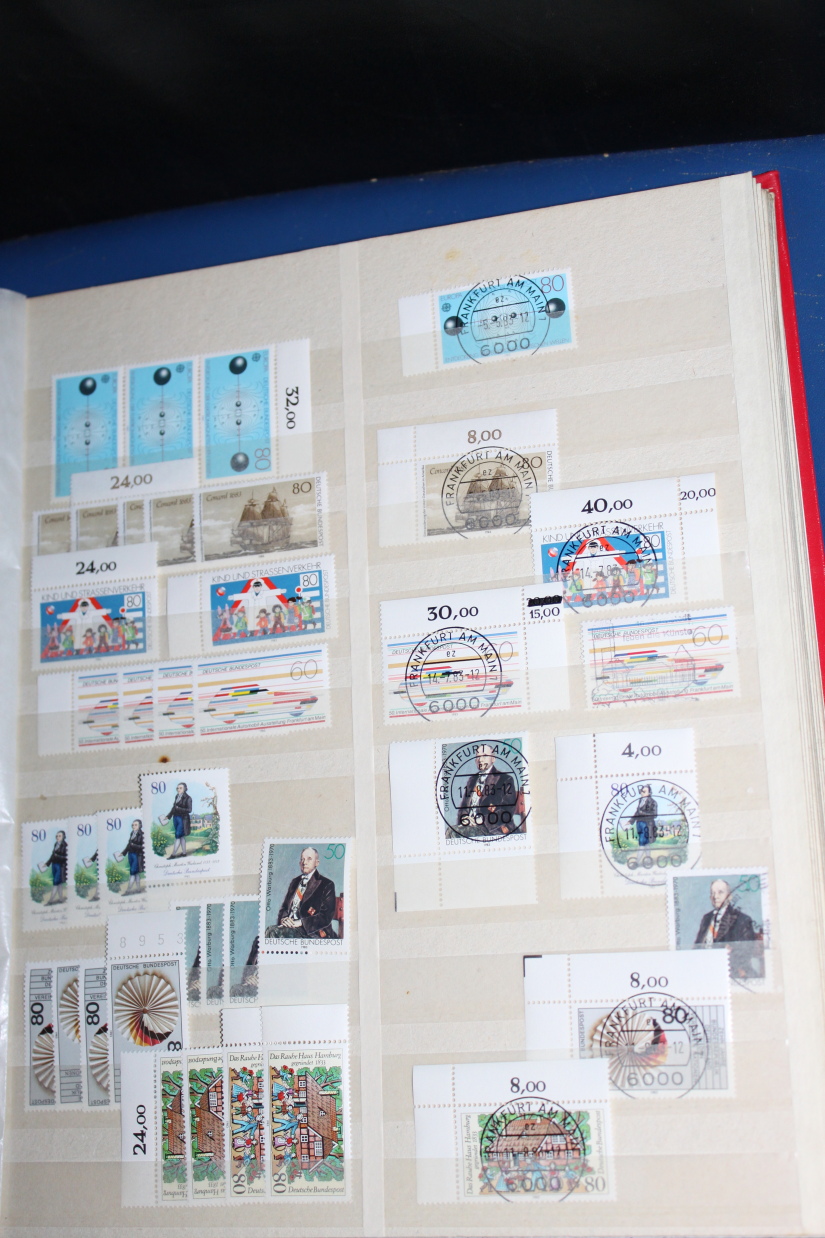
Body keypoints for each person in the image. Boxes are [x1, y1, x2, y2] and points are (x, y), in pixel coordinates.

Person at [265, 846, 338, 939]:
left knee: (272, 932)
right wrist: (284, 919)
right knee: (260, 940)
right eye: (302, 859)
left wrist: (300, 922)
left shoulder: (326, 884)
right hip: (290, 928)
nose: (304, 862)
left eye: (309, 859)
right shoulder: (295, 882)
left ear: (317, 863)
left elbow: (325, 917)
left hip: (313, 932)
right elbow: (285, 907)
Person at [456, 744, 523, 837]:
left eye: (484, 756)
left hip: (494, 829)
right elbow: (463, 807)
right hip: (470, 827)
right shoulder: (472, 780)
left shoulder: (505, 779)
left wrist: (480, 820)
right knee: (452, 832)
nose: (480, 759)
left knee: (453, 833)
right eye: (478, 756)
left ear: (493, 759)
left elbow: (506, 812)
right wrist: (465, 819)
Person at [694, 879, 757, 947]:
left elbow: (747, 949)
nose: (715, 896)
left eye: (720, 892)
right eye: (712, 893)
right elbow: (697, 946)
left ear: (729, 897)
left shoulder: (743, 920)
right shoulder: (706, 918)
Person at [161, 782, 192, 858]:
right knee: (181, 836)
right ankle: (184, 853)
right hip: (175, 818)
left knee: (178, 835)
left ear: (185, 789)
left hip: (183, 819)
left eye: (180, 788)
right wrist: (168, 816)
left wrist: (179, 808)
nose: (178, 789)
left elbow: (189, 810)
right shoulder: (177, 796)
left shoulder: (188, 798)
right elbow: (174, 808)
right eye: (177, 788)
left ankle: (173, 854)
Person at [115, 819, 145, 895]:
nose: (134, 826)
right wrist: (123, 853)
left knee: (132, 872)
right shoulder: (132, 833)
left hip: (136, 855)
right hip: (130, 854)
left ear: (140, 826)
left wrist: (133, 845)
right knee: (136, 873)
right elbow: (129, 844)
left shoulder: (142, 834)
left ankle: (128, 890)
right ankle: (138, 889)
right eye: (133, 825)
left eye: (136, 825)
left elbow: (142, 847)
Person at [40, 829, 68, 904]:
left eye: (59, 836)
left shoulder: (65, 845)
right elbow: (53, 855)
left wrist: (57, 856)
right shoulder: (56, 844)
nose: (58, 837)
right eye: (57, 836)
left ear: (63, 837)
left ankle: (51, 899)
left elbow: (66, 858)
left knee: (56, 882)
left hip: (60, 866)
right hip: (54, 865)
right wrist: (47, 863)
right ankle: (61, 899)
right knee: (58, 883)